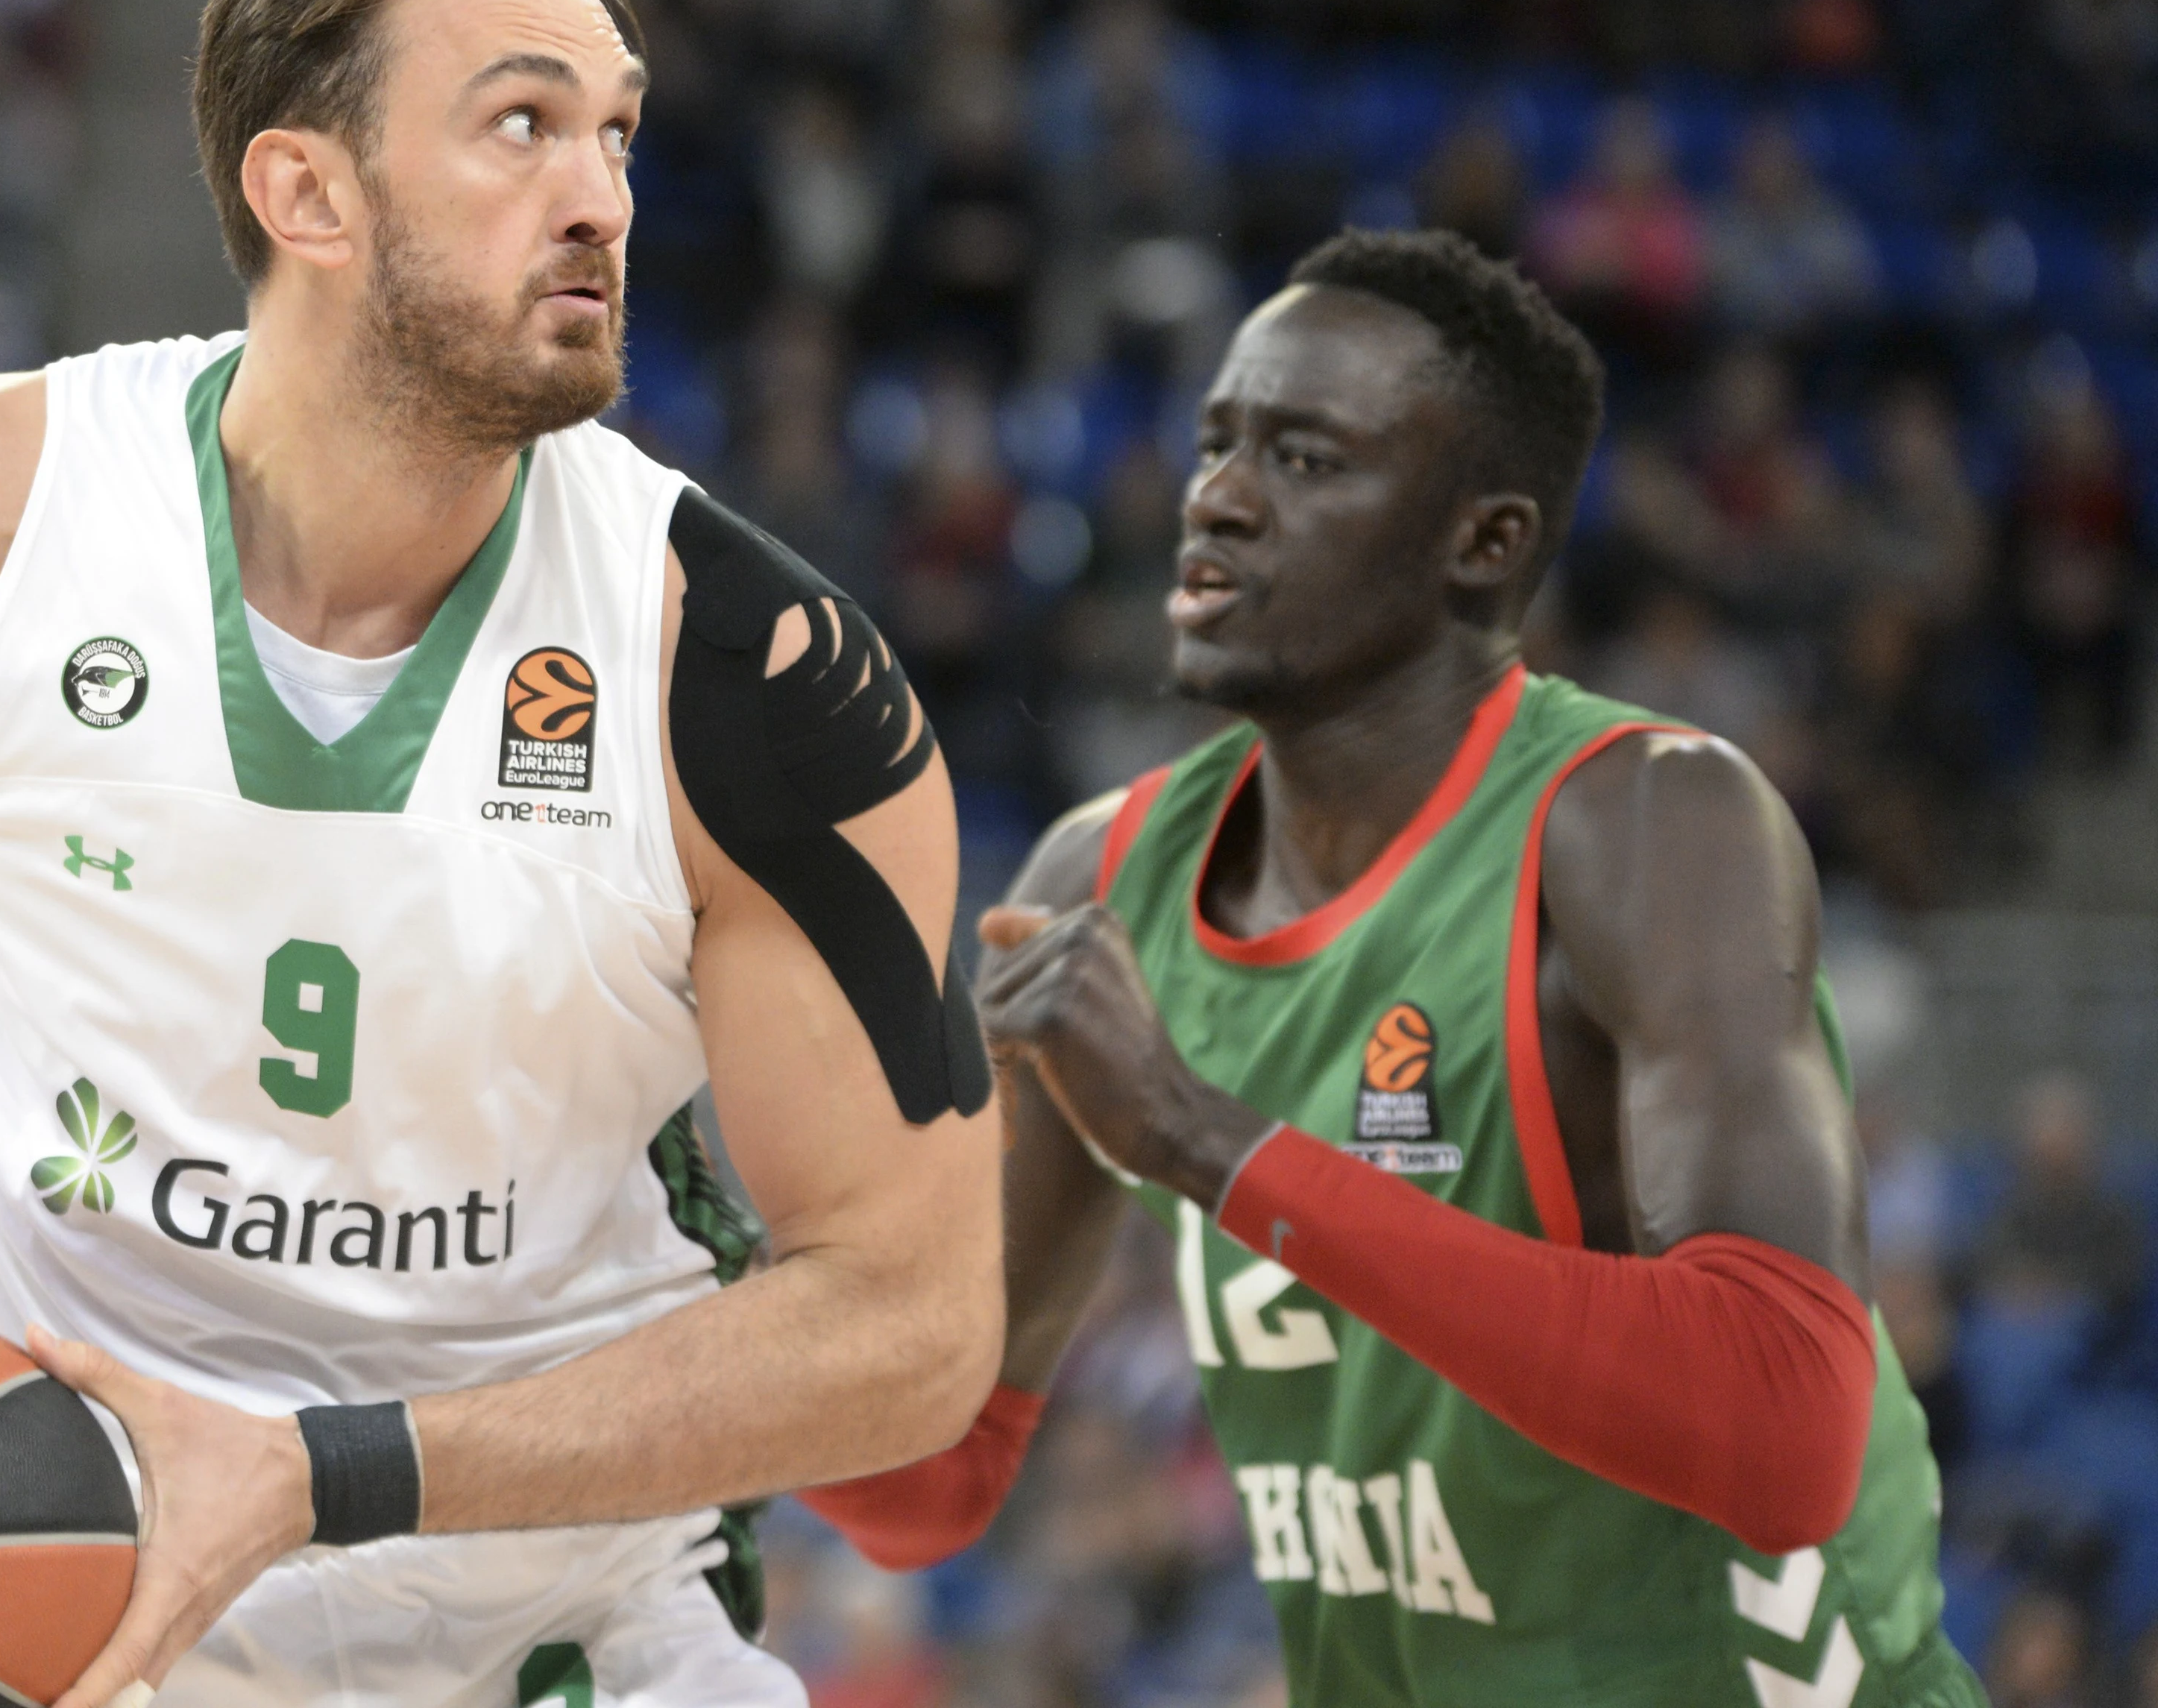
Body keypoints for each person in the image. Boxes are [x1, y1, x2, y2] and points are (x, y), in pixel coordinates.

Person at [0, 0, 1004, 1706]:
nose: (603, 195)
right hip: (36, 1601)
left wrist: (323, 1472)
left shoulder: (745, 672)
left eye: (618, 133)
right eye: (523, 124)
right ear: (305, 190)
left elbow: (914, 1326)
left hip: (559, 1627)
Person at [799, 229, 1984, 1706]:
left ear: (1480, 542)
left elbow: (1789, 1423)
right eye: (1219, 442)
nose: (1219, 495)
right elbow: (935, 1482)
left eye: (1304, 458)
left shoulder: (1646, 823)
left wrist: (1209, 1143)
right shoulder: (1100, 881)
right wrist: (719, 1268)